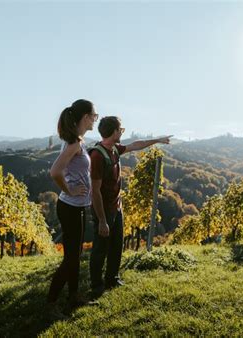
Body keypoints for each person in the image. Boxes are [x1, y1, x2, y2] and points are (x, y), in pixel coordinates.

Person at [89, 116, 171, 295]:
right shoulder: (97, 156)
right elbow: (94, 192)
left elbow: (136, 145)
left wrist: (157, 140)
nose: (122, 132)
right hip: (104, 210)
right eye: (120, 130)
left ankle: (112, 279)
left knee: (117, 245)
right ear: (113, 132)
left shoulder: (114, 149)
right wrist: (102, 220)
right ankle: (96, 285)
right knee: (100, 249)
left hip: (116, 207)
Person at [48, 99, 98, 315]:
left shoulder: (77, 141)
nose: (95, 119)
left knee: (74, 255)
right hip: (70, 207)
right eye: (94, 115)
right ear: (85, 117)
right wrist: (69, 190)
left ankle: (73, 297)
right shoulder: (74, 144)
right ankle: (50, 303)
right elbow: (55, 171)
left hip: (75, 206)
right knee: (71, 259)